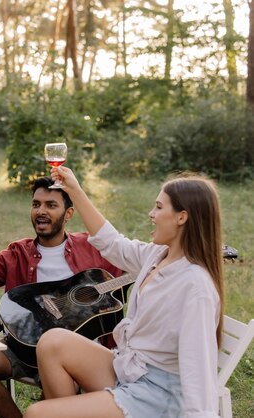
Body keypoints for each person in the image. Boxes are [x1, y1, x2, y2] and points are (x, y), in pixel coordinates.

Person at [23, 168, 223, 418]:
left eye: (159, 208)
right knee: (53, 342)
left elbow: (199, 366)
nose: (152, 214)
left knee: (37, 413)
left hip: (158, 395)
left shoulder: (195, 286)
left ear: (182, 217)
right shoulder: (158, 255)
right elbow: (111, 243)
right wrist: (74, 189)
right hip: (131, 369)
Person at [0, 176, 122, 418]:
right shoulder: (17, 253)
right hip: (24, 347)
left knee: (65, 379)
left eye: (51, 205)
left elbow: (134, 265)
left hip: (74, 354)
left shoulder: (93, 248)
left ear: (68, 213)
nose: (41, 211)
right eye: (36, 204)